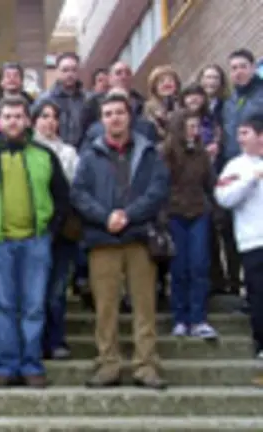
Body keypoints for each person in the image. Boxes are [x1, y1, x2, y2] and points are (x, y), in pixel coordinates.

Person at [0, 96, 69, 388]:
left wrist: (51, 231)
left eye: (18, 116)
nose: (13, 121)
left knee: (34, 306)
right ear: (0, 120)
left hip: (36, 242)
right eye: (7, 116)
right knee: (4, 307)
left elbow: (62, 197)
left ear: (27, 120)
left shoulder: (45, 156)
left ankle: (31, 365)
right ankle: (6, 366)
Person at [72, 93, 169, 390]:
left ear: (130, 117)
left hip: (139, 237)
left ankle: (146, 365)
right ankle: (108, 364)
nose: (114, 118)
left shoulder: (149, 153)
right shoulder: (89, 157)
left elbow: (157, 190)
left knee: (144, 305)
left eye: (119, 112)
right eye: (108, 113)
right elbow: (79, 194)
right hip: (103, 240)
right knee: (106, 307)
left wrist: (128, 215)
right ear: (101, 120)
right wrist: (105, 218)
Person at [162, 109, 218, 339]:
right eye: (191, 126)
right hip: (175, 214)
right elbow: (161, 185)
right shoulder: (165, 153)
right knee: (179, 267)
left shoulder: (202, 154)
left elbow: (210, 182)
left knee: (198, 265)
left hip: (198, 212)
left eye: (197, 127)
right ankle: (180, 318)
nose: (196, 131)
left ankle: (198, 318)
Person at [32, 99, 79, 360]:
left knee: (56, 290)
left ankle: (56, 339)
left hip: (60, 230)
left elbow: (73, 189)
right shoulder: (26, 151)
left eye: (53, 117)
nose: (49, 122)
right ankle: (35, 342)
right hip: (31, 230)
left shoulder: (69, 153)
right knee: (34, 291)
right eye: (44, 116)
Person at [215, 113, 263, 359]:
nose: (240, 139)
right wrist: (250, 182)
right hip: (253, 240)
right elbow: (223, 198)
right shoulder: (236, 166)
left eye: (246, 133)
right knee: (258, 293)